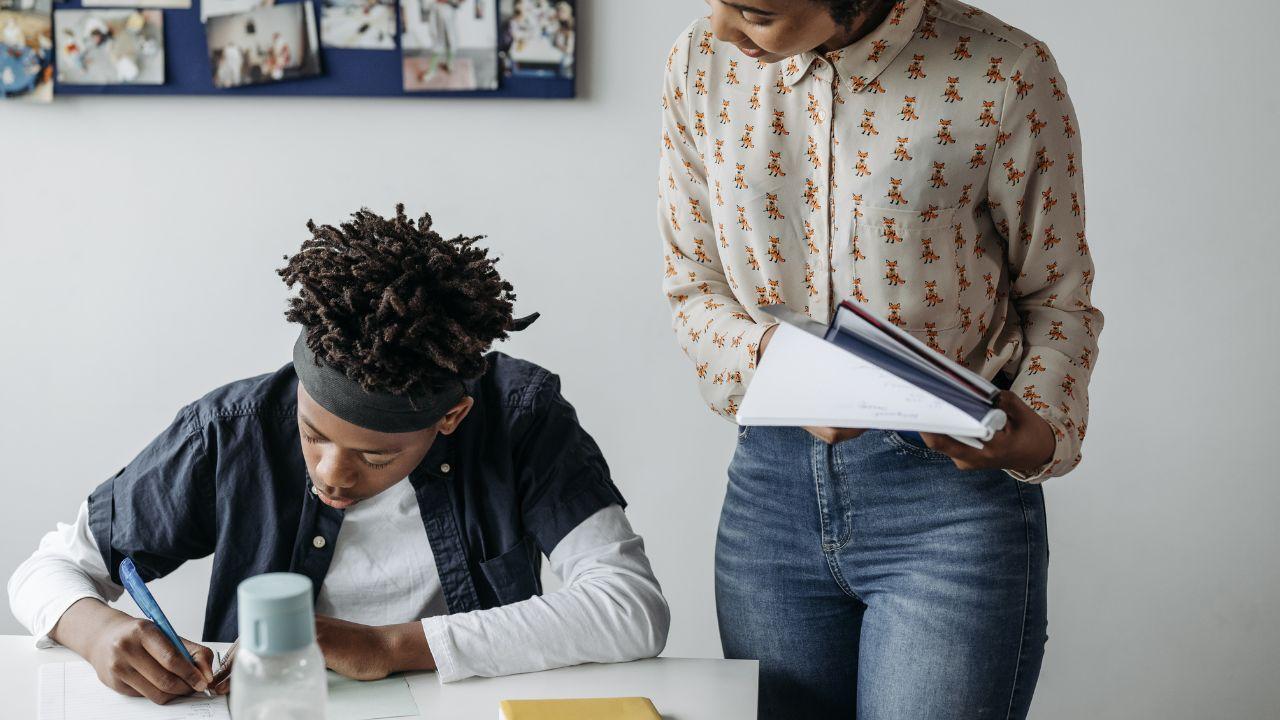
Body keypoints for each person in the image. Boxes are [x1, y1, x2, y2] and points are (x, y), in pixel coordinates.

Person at [9, 205, 669, 705]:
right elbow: (48, 570)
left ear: (452, 416)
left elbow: (633, 608)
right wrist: (93, 631)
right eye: (315, 434)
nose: (331, 474)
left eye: (375, 457)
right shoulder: (233, 431)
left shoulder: (520, 421)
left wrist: (386, 648)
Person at [657, 0, 1102, 717]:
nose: (719, 28)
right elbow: (693, 279)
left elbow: (1057, 294)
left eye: (755, 12)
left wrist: (1044, 424)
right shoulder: (697, 64)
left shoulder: (1004, 71)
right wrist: (791, 372)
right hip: (768, 499)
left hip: (951, 508)